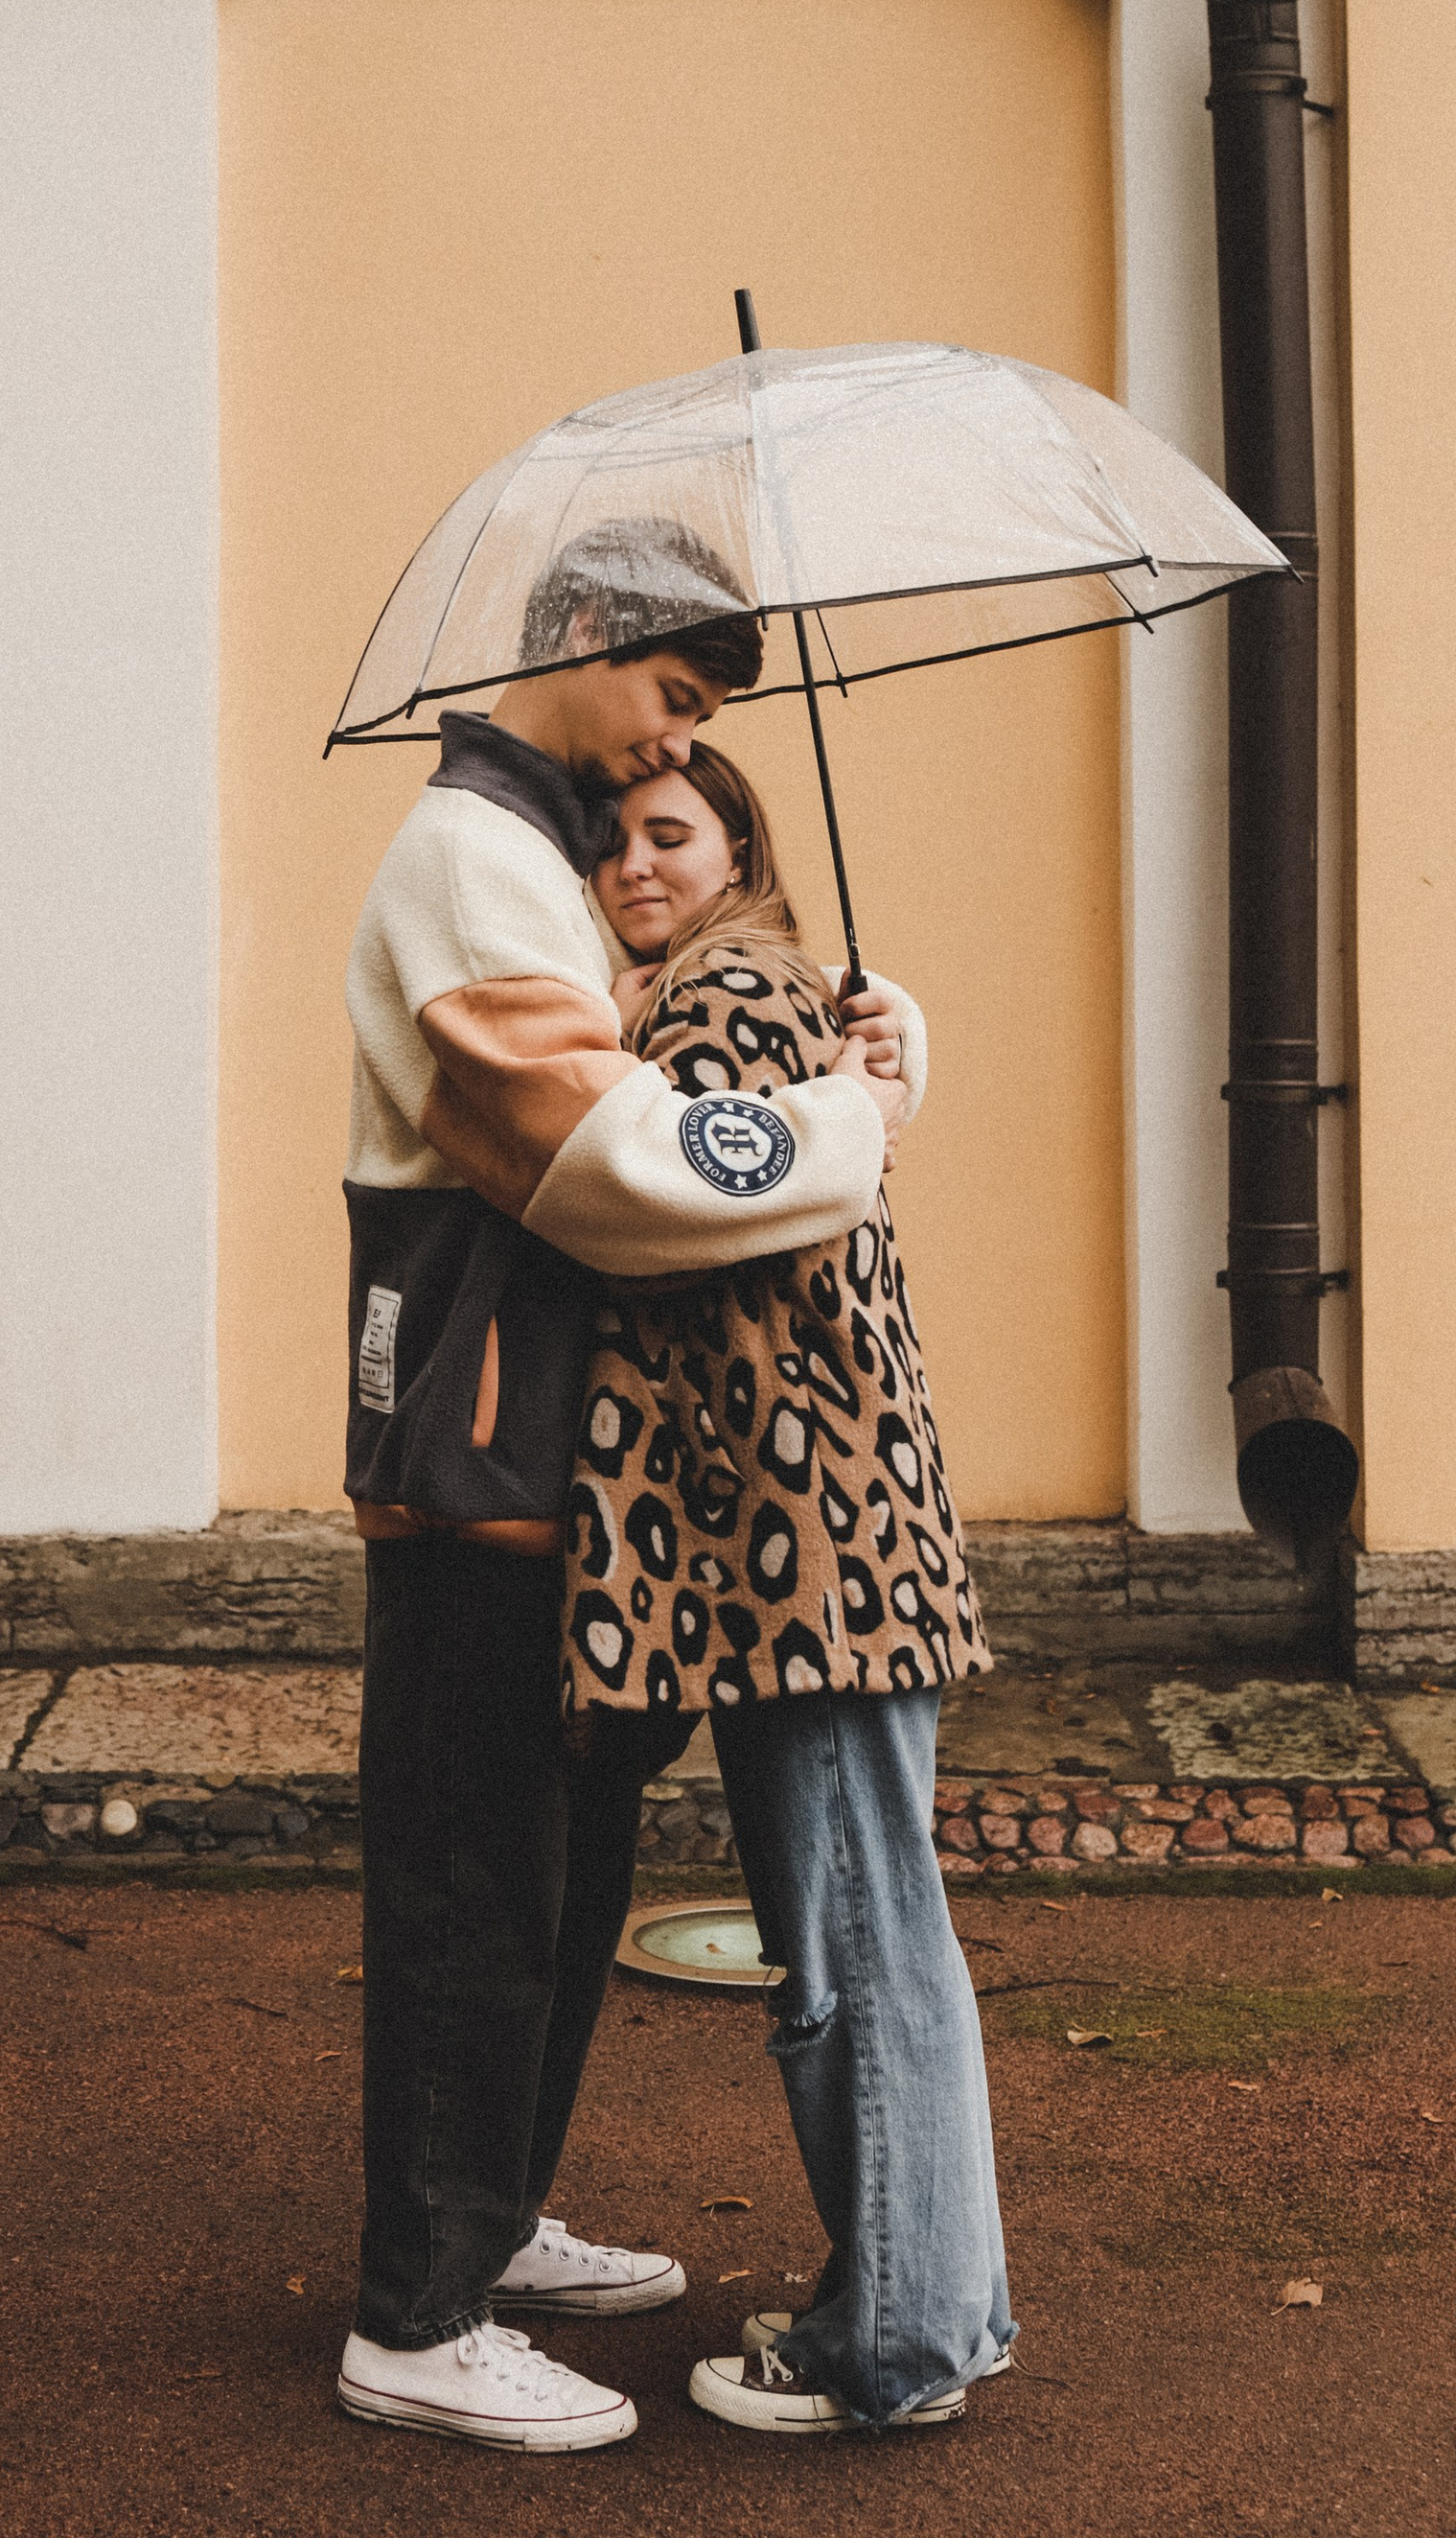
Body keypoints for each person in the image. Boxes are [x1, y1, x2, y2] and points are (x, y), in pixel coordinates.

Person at [335, 519, 913, 2454]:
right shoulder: (470, 861)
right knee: (469, 1880)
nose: (672, 741)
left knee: (557, 1880)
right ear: (581, 635)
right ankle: (415, 2320)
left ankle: (484, 2229)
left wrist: (846, 1043)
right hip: (478, 1466)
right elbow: (615, 1168)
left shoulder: (531, 859)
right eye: (670, 692)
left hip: (550, 1475)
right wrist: (857, 1117)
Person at [568, 742, 1013, 2437]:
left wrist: (623, 1034)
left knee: (853, 1957)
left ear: (740, 844)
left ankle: (897, 2343)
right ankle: (933, 2299)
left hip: (805, 1558)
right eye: (611, 843)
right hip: (827, 1553)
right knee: (880, 1935)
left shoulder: (731, 996)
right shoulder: (746, 987)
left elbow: (688, 1191)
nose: (635, 865)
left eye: (670, 834)